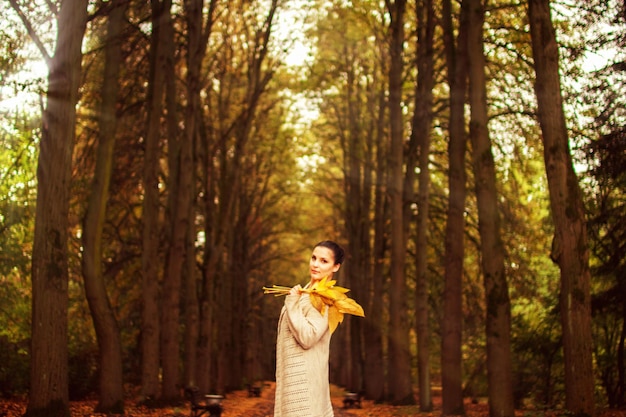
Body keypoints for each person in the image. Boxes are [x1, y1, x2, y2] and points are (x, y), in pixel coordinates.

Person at [273, 240, 345, 417]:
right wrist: (295, 300)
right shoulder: (307, 293)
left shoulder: (323, 298)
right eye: (314, 258)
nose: (315, 264)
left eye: (323, 261)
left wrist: (291, 303)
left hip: (304, 384)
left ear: (335, 267)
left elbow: (308, 337)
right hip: (293, 380)